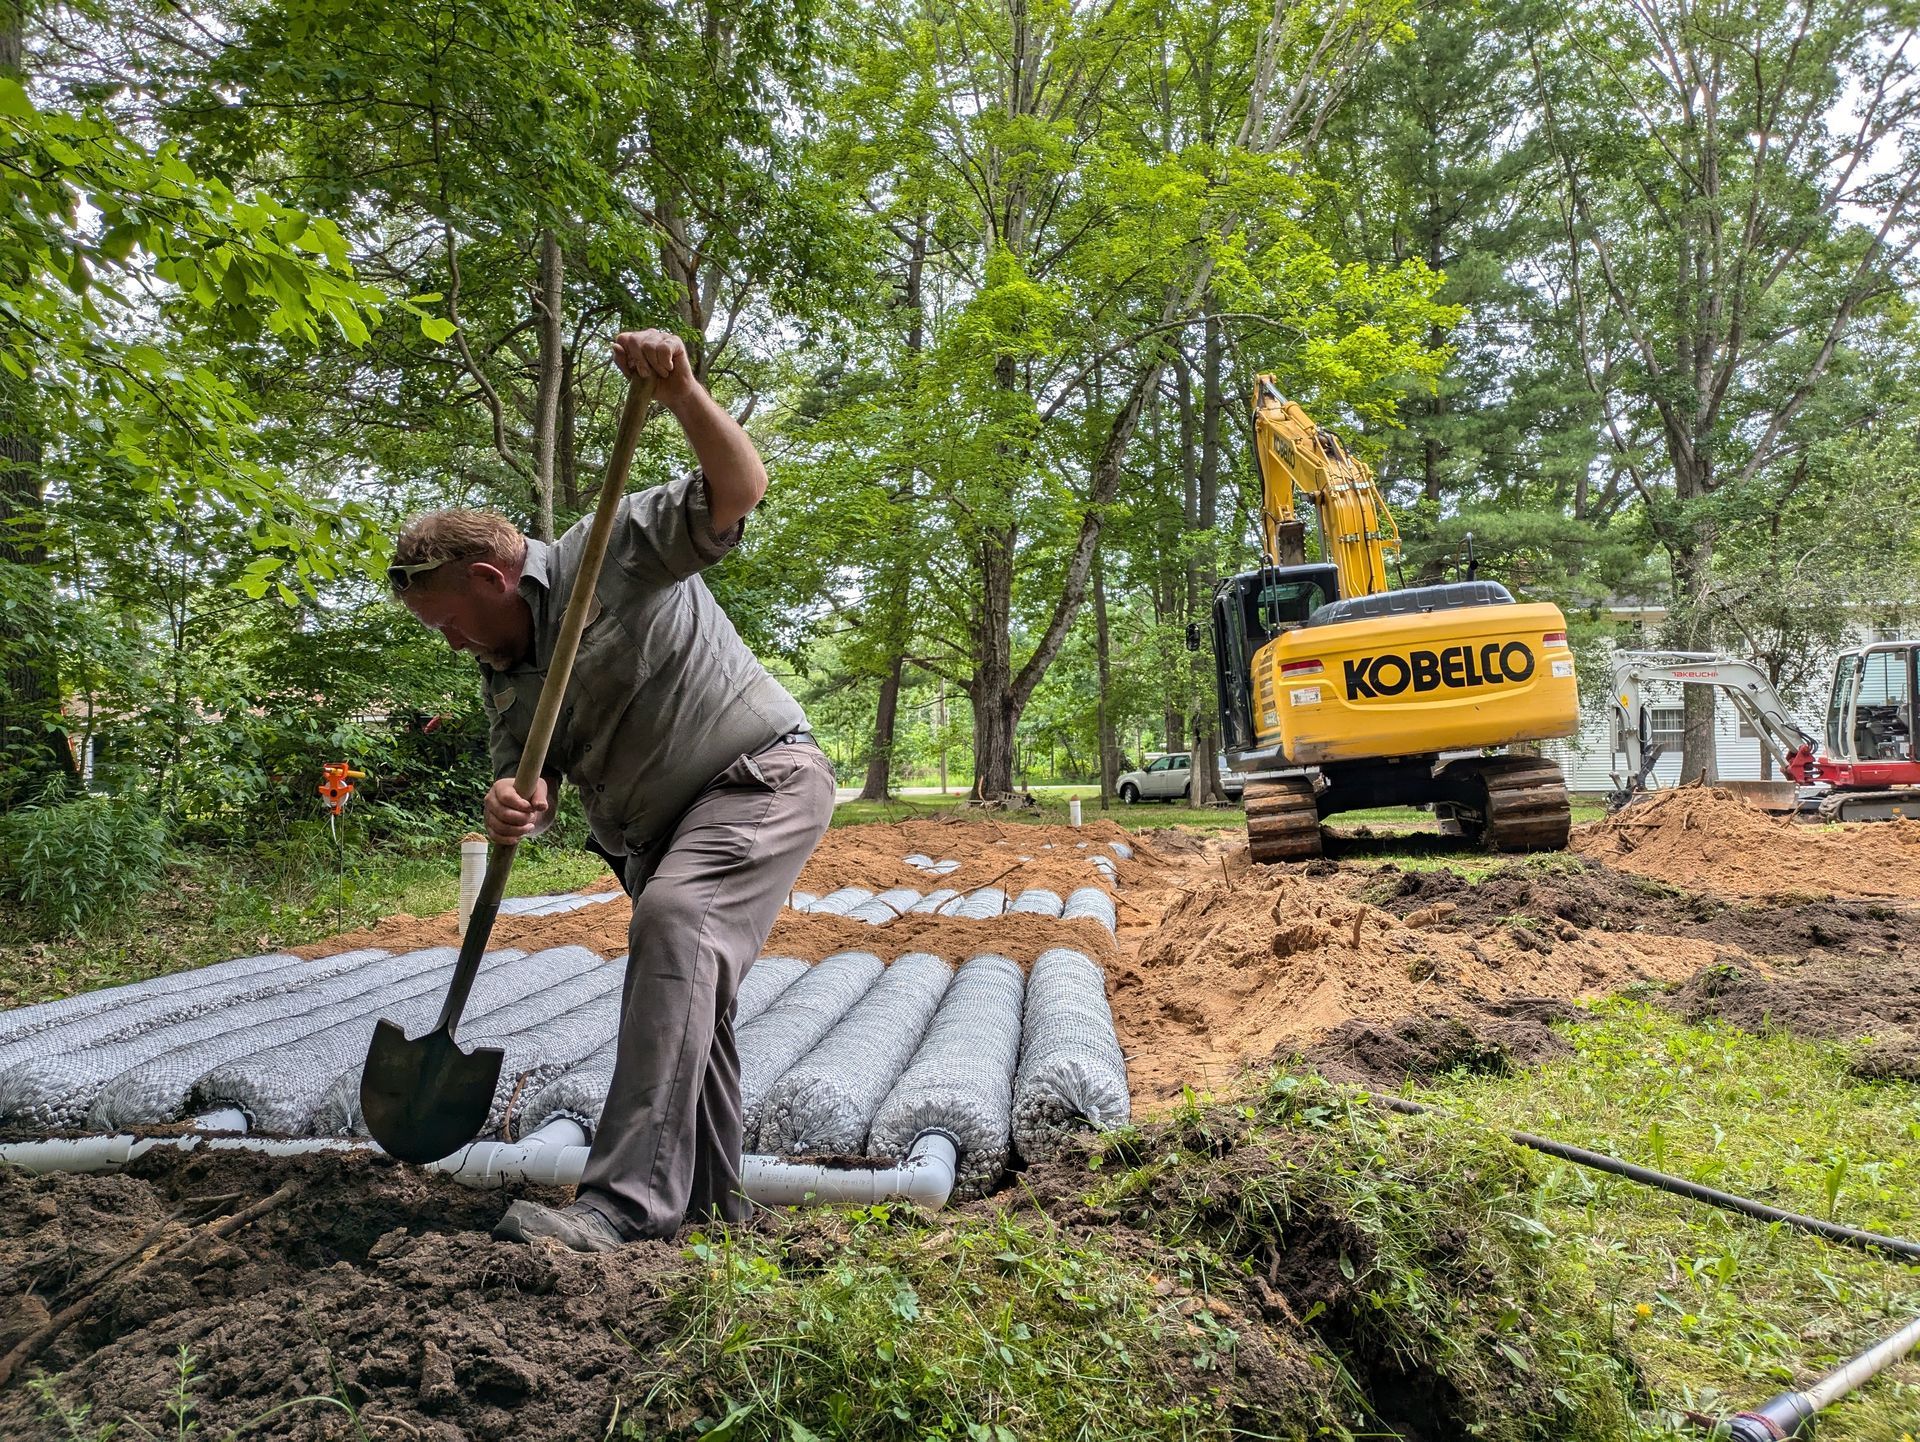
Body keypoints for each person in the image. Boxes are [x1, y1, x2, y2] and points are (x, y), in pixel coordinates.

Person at [386, 329, 835, 1250]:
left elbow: (739, 489)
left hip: (757, 780)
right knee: (689, 999)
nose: (452, 643)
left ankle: (622, 1206)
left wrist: (680, 394)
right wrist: (516, 803)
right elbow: (530, 779)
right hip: (656, 834)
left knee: (675, 924)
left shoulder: (615, 549)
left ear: (490, 577)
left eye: (451, 622)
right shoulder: (506, 671)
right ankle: (710, 1214)